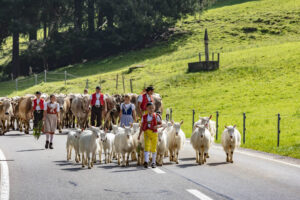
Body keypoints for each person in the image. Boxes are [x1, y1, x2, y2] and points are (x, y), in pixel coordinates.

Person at [138, 102, 162, 168]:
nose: (151, 109)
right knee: (147, 146)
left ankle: (153, 162)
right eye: (149, 108)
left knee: (154, 147)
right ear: (147, 109)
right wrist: (139, 135)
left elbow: (161, 124)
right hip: (147, 133)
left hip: (154, 133)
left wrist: (157, 126)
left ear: (154, 108)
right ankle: (146, 161)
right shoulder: (144, 117)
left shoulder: (156, 116)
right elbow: (142, 126)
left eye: (152, 108)